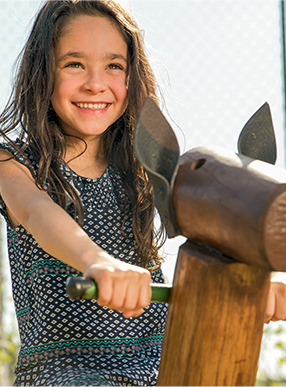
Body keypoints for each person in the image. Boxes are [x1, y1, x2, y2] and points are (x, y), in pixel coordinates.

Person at [0, 0, 168, 386]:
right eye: (74, 64)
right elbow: (35, 211)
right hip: (65, 372)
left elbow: (209, 222)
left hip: (159, 366)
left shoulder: (146, 166)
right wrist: (97, 261)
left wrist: (258, 273)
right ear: (43, 74)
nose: (96, 83)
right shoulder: (15, 164)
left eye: (114, 66)